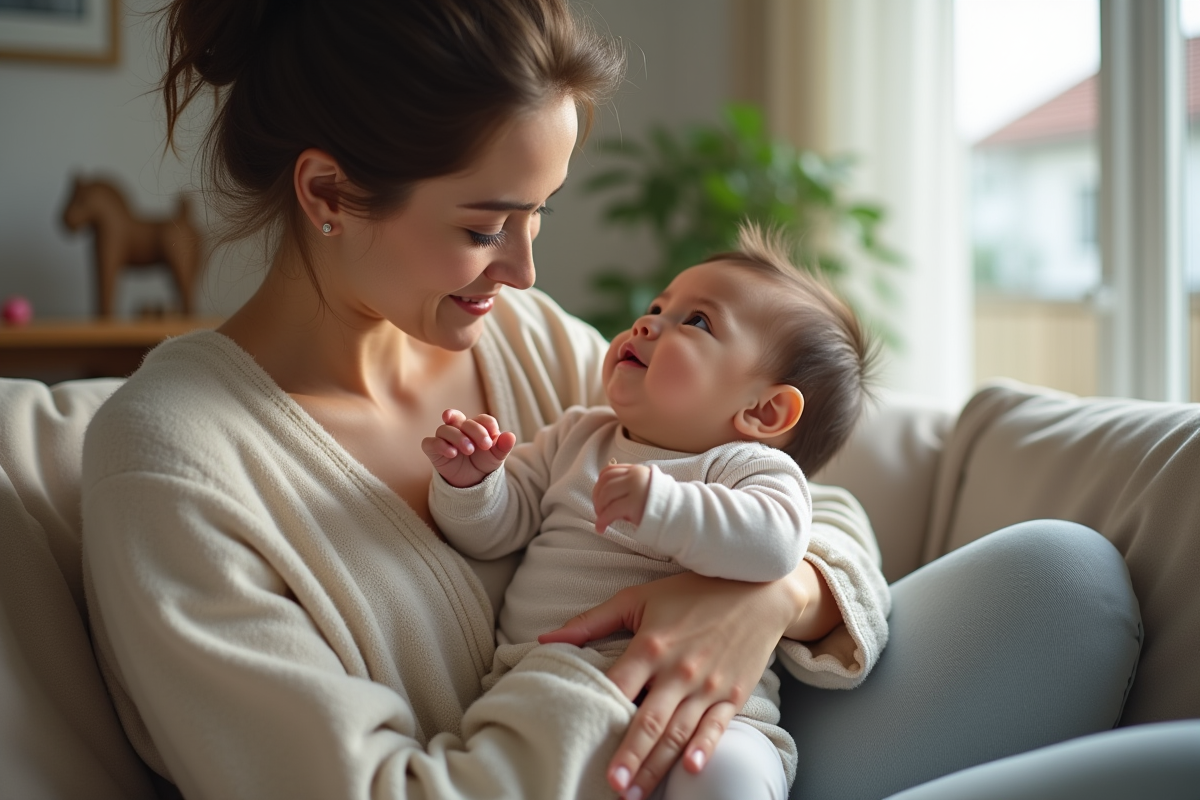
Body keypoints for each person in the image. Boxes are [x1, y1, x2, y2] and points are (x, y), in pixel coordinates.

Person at [80, 2, 892, 799]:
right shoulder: (172, 461)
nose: (524, 273)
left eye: (538, 213)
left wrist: (770, 600)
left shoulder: (525, 340)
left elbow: (806, 500)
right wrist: (610, 671)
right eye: (483, 229)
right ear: (329, 193)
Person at [421, 226, 878, 800]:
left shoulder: (749, 469)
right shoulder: (577, 436)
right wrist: (473, 483)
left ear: (763, 411)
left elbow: (776, 545)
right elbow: (496, 532)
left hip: (709, 717)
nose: (646, 323)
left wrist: (665, 506)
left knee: (731, 775)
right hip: (550, 686)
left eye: (697, 322)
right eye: (658, 307)